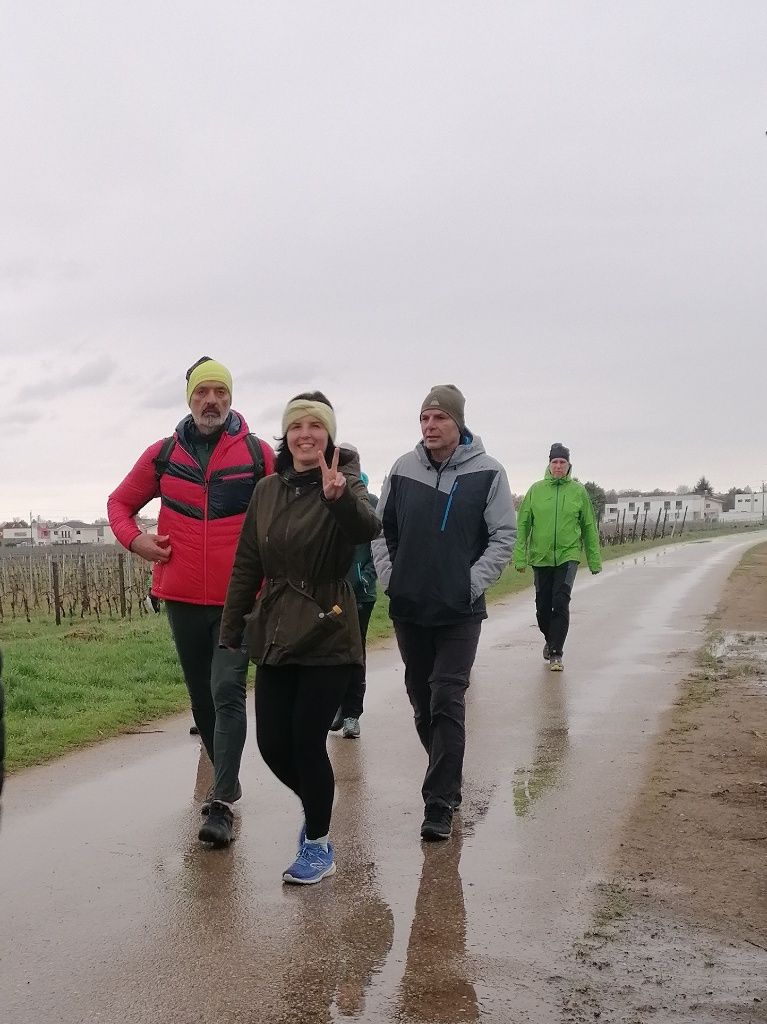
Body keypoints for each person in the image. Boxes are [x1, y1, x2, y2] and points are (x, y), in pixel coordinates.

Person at [107, 356, 275, 847]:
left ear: (231, 397)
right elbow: (118, 504)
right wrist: (135, 541)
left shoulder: (258, 453)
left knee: (227, 692)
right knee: (202, 700)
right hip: (180, 597)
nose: (212, 401)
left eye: (220, 392)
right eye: (203, 392)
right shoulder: (163, 455)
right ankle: (227, 774)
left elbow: (287, 505)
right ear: (190, 399)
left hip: (239, 599)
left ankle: (220, 802)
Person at [220, 391, 379, 885]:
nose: (305, 435)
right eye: (296, 427)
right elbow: (248, 561)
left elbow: (367, 527)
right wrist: (231, 629)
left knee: (307, 743)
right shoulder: (266, 489)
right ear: (285, 436)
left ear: (328, 434)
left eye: (316, 426)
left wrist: (339, 501)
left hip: (328, 628)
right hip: (276, 629)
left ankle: (318, 844)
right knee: (271, 744)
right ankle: (317, 808)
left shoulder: (343, 484)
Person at [372, 384, 516, 841]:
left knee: (446, 697)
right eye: (424, 419)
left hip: (459, 611)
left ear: (458, 424)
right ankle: (446, 775)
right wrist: (390, 578)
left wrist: (468, 584)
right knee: (420, 700)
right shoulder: (402, 469)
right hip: (410, 607)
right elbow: (382, 530)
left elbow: (503, 538)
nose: (430, 426)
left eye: (439, 418)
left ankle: (438, 803)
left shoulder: (489, 473)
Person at [513, 442, 602, 671]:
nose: (559, 466)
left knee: (560, 602)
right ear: (549, 464)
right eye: (555, 462)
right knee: (542, 607)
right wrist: (520, 557)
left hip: (567, 555)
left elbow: (589, 525)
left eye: (563, 462)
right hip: (540, 557)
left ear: (569, 465)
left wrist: (594, 559)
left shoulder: (578, 491)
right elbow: (523, 524)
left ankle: (556, 653)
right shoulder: (535, 490)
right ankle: (549, 639)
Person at [330, 465, 378, 739]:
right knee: (331, 653)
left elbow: (380, 546)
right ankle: (336, 707)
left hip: (360, 593)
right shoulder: (327, 499)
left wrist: (366, 578)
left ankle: (351, 715)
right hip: (330, 595)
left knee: (354, 654)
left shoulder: (370, 503)